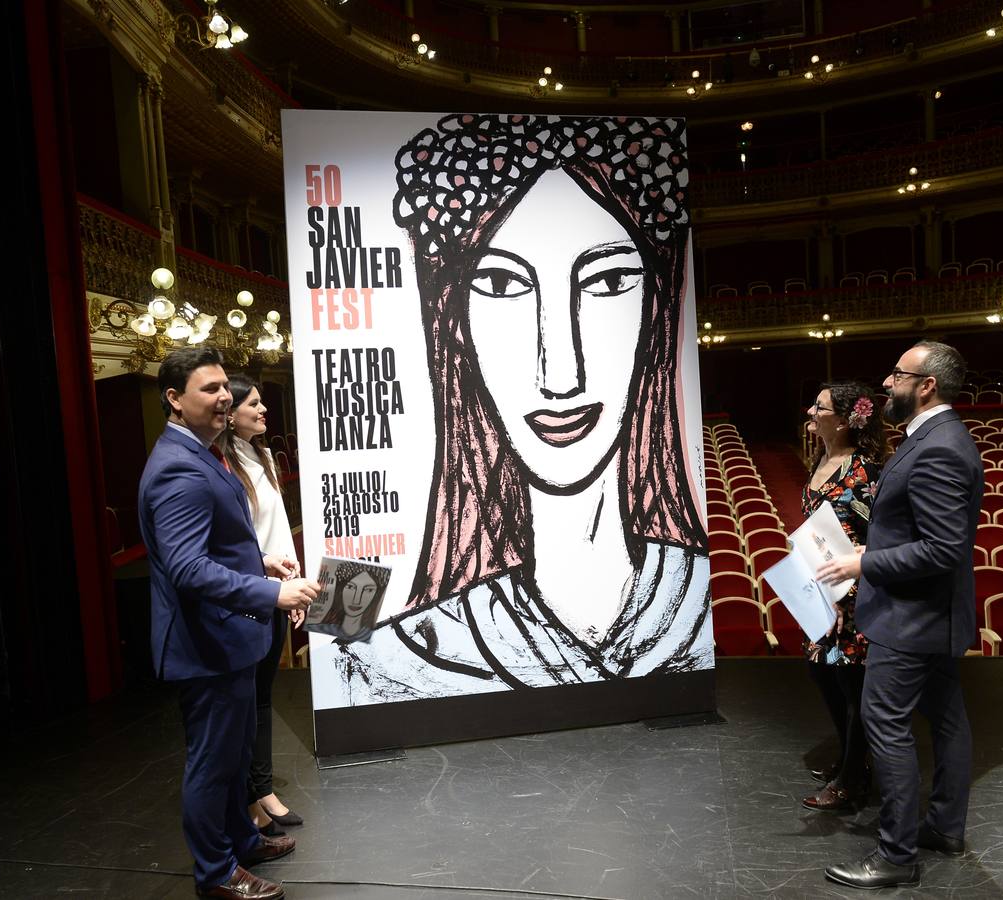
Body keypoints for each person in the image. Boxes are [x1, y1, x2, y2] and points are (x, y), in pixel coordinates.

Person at [330, 114, 711, 703]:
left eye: (608, 281)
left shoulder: (700, 603)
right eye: (503, 286)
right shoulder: (383, 663)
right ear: (454, 327)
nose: (561, 373)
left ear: (657, 310)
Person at [139, 348, 319, 900]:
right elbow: (188, 568)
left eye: (224, 387)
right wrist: (272, 590)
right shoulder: (177, 467)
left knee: (237, 754)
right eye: (208, 389)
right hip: (205, 646)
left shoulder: (206, 453)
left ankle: (242, 837)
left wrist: (257, 562)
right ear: (174, 399)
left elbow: (211, 545)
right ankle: (216, 873)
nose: (223, 397)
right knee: (213, 763)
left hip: (229, 638)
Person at [818, 341, 982, 890]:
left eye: (896, 374)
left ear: (926, 384)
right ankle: (944, 828)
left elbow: (942, 548)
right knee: (950, 723)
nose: (886, 384)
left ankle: (895, 856)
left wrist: (862, 562)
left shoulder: (939, 447)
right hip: (929, 617)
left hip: (911, 619)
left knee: (885, 726)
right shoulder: (934, 438)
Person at [218, 374, 305, 833]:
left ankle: (263, 789)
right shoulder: (222, 462)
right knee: (246, 700)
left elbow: (278, 529)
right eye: (253, 403)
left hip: (275, 586)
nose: (263, 409)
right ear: (230, 412)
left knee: (263, 697)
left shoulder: (263, 454)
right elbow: (237, 540)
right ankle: (251, 798)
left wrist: (291, 583)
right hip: (246, 591)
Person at [799, 382, 889, 813]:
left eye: (820, 407)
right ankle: (854, 759)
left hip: (854, 595)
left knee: (855, 689)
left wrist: (847, 589)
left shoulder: (865, 470)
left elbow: (875, 538)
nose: (811, 412)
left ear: (845, 418)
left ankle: (852, 781)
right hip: (822, 591)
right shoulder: (820, 461)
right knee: (823, 674)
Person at [312, 561, 391, 643]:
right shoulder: (319, 630)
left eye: (368, 590)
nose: (357, 600)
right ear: (340, 589)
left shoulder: (382, 633)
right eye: (350, 587)